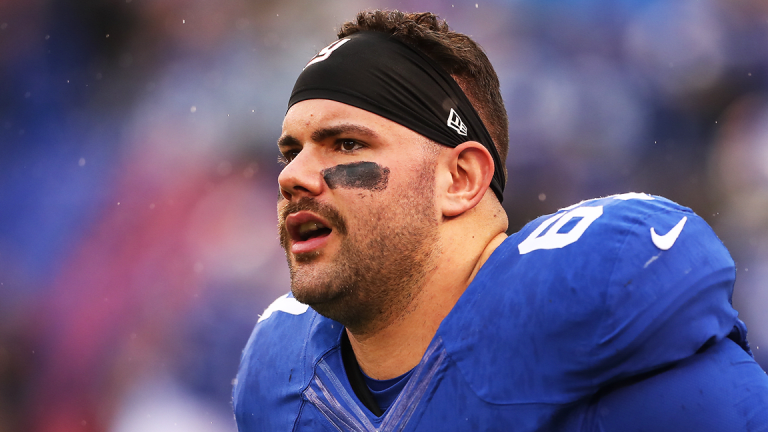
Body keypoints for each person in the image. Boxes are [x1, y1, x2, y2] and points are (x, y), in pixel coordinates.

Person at [233, 10, 768, 431]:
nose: (291, 176)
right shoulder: (283, 382)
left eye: (347, 144)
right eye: (291, 152)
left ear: (460, 178)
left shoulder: (596, 317)